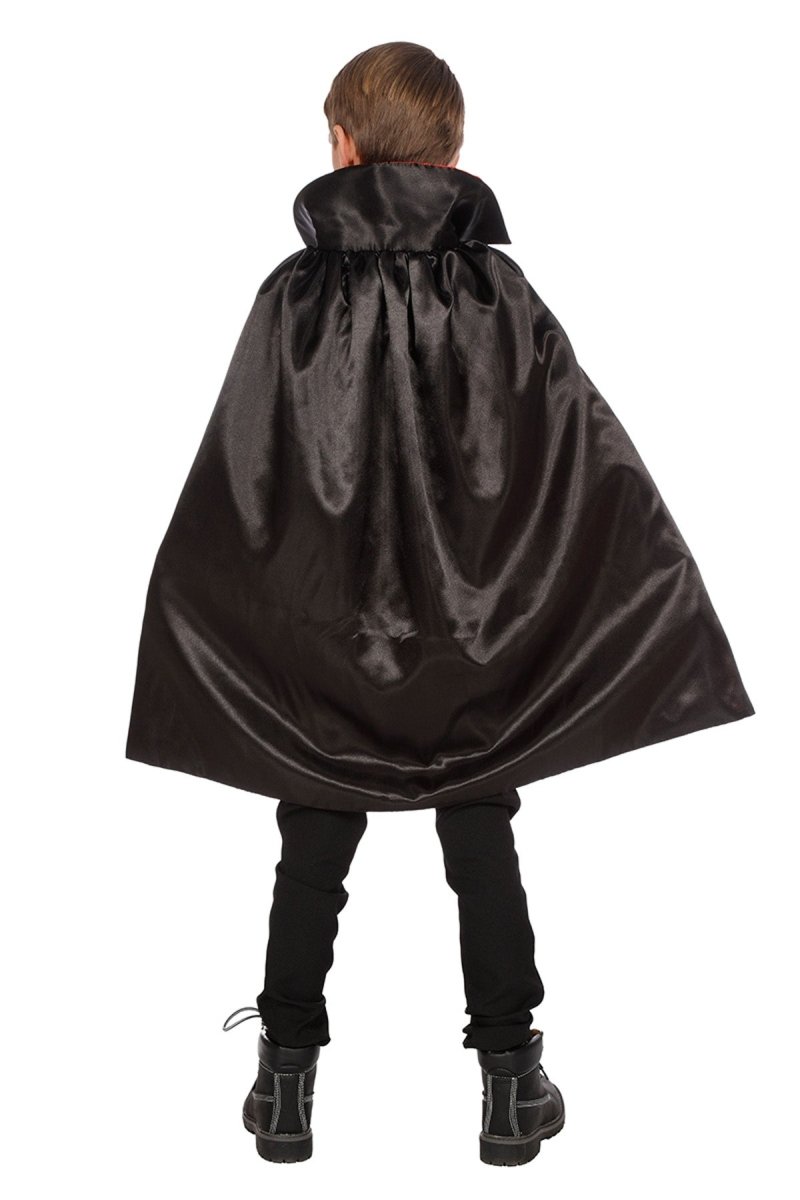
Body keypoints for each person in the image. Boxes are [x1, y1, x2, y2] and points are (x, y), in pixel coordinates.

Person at [126, 41, 755, 1167]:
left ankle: (283, 1085)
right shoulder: (495, 291)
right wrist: (600, 581)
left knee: (313, 829)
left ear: (343, 147)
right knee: (480, 825)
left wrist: (222, 605)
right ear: (454, 155)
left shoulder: (292, 297)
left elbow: (249, 469)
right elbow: (562, 451)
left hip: (323, 634)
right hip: (472, 635)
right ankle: (510, 1086)